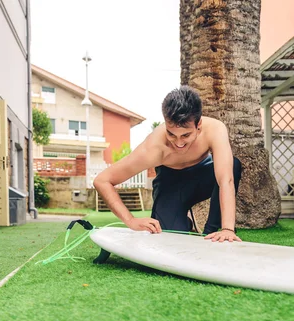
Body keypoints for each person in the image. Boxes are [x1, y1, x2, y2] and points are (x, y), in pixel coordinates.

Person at [93, 86, 242, 242]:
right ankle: (184, 221)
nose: (178, 143)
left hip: (202, 177)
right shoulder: (153, 148)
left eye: (186, 135)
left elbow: (226, 180)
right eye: (171, 134)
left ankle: (211, 231)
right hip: (171, 185)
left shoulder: (215, 130)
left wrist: (227, 229)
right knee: (169, 239)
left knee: (233, 165)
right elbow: (102, 180)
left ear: (199, 126)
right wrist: (131, 220)